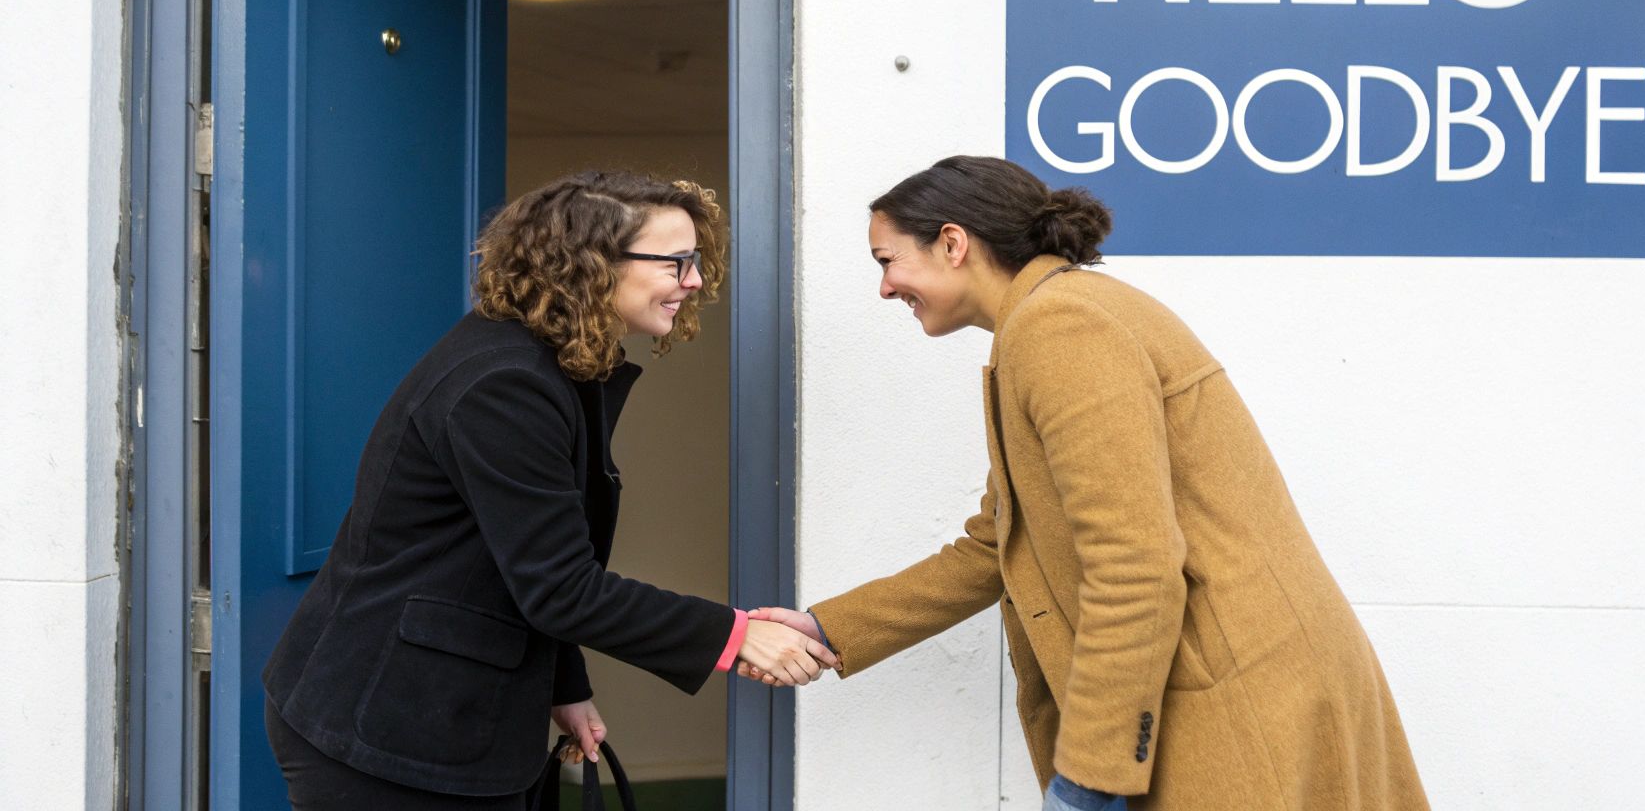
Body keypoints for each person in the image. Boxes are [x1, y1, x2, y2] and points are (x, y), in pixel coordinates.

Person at [746, 156, 1428, 810]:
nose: (885, 287)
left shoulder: (1060, 327)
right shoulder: (1048, 321)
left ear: (953, 243)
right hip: (1229, 689)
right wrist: (828, 628)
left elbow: (1135, 565)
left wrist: (1088, 779)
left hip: (1235, 698)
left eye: (887, 260)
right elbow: (996, 548)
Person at [263, 170, 836, 809]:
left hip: (440, 718)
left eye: (694, 261)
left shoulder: (552, 361)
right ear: (592, 264)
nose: (695, 281)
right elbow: (561, 586)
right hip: (386, 726)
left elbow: (522, 557)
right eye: (676, 262)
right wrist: (736, 635)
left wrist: (564, 684)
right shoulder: (503, 383)